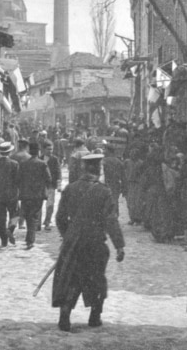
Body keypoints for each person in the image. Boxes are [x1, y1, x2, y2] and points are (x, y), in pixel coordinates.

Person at [52, 153, 125, 332]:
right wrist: (119, 245)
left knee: (71, 278)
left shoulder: (70, 188)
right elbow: (110, 220)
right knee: (96, 278)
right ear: (98, 169)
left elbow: (60, 217)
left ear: (83, 169)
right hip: (95, 242)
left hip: (74, 242)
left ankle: (65, 315)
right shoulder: (104, 191)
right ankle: (94, 316)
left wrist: (68, 235)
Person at [18, 141, 52, 248]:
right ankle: (30, 240)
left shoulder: (23, 164)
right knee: (34, 216)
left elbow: (18, 179)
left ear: (29, 150)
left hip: (26, 194)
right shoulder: (42, 164)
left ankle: (29, 238)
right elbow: (49, 178)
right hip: (38, 194)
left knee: (28, 215)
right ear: (38, 151)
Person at [41, 140, 62, 231]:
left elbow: (58, 172)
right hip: (40, 186)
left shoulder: (54, 159)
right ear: (43, 149)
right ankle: (37, 223)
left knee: (50, 205)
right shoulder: (39, 158)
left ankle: (47, 222)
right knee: (39, 205)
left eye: (51, 149)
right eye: (48, 149)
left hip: (51, 186)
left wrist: (59, 185)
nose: (50, 151)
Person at [101, 144, 125, 219]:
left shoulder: (103, 161)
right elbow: (123, 176)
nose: (104, 151)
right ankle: (114, 216)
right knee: (114, 200)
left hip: (105, 184)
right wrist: (124, 187)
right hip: (116, 184)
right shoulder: (119, 161)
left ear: (109, 151)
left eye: (105, 149)